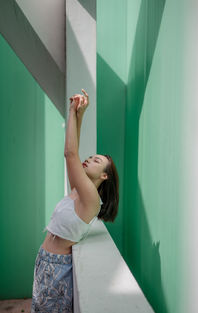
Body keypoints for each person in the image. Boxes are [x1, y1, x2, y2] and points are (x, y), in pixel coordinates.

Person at [31, 89, 119, 312]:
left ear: (104, 176)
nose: (89, 160)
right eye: (89, 158)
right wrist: (81, 114)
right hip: (44, 260)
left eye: (96, 160)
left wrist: (71, 111)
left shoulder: (91, 200)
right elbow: (75, 150)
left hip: (58, 269)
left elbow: (71, 154)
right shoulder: (78, 191)